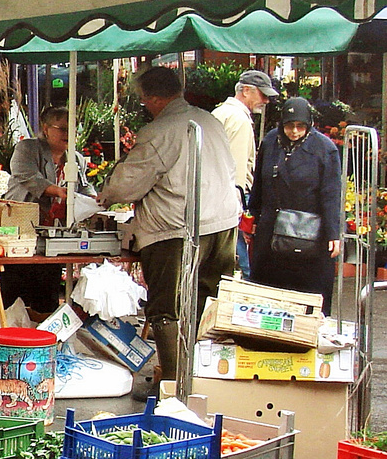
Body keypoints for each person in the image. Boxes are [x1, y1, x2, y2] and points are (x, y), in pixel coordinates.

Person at [99, 66, 240, 398]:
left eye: (144, 100)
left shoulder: (160, 131)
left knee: (167, 307)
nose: (144, 105)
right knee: (209, 304)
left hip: (177, 230)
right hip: (222, 224)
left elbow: (126, 185)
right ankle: (207, 382)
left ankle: (174, 387)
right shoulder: (210, 120)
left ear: (155, 98)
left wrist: (106, 191)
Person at [248, 97, 342, 313]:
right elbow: (259, 183)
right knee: (269, 290)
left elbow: (331, 193)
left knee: (308, 293)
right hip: (272, 228)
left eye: (301, 126)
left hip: (308, 231)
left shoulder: (324, 149)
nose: (295, 132)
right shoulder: (271, 141)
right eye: (290, 126)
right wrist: (252, 216)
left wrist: (333, 233)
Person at [0, 105, 93, 316]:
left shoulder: (75, 158)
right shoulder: (27, 149)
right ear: (46, 128)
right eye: (62, 128)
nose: (68, 134)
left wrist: (97, 200)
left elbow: (84, 186)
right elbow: (29, 178)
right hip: (21, 230)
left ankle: (43, 335)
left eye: (73, 128)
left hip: (54, 235)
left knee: (47, 290)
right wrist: (59, 191)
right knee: (17, 294)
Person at [212, 69, 280, 278]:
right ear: (247, 91)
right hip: (229, 199)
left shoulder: (220, 113)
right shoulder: (238, 119)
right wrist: (240, 207)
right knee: (242, 262)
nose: (266, 101)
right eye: (263, 95)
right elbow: (237, 171)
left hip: (214, 196)